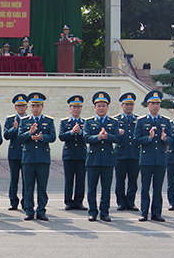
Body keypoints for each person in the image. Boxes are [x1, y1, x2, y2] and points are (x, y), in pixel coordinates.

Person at [134, 90, 172, 222]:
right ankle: (143, 212)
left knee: (158, 188)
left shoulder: (166, 121)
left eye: (157, 103)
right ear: (148, 105)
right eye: (152, 103)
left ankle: (156, 213)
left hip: (160, 159)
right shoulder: (141, 121)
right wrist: (148, 138)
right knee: (145, 187)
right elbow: (136, 139)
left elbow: (171, 140)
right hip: (146, 159)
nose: (155, 106)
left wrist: (165, 138)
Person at [18, 92, 55, 221]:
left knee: (42, 186)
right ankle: (29, 210)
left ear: (42, 107)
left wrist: (42, 137)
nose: (35, 108)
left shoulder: (48, 121)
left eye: (38, 105)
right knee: (28, 186)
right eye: (33, 105)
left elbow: (52, 136)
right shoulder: (24, 121)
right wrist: (30, 133)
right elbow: (20, 137)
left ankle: (41, 210)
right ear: (30, 107)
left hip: (42, 158)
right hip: (28, 158)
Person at [83, 92, 119, 222]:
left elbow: (117, 138)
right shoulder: (88, 122)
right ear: (94, 108)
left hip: (108, 160)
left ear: (107, 107)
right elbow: (86, 138)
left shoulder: (113, 122)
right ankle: (92, 211)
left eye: (103, 105)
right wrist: (98, 137)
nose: (101, 108)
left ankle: (105, 212)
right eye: (99, 106)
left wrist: (107, 136)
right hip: (93, 160)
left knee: (106, 188)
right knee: (92, 188)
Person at [59, 95, 87, 210]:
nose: (76, 109)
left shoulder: (85, 122)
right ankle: (68, 201)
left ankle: (79, 201)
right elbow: (61, 136)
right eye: (74, 107)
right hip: (69, 155)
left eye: (79, 107)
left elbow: (88, 137)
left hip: (81, 155)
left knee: (80, 179)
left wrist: (80, 132)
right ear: (70, 109)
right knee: (69, 179)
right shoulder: (65, 122)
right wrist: (71, 132)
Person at [114, 92, 140, 211]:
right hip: (120, 154)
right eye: (126, 104)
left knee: (133, 180)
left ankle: (130, 201)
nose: (129, 107)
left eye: (131, 104)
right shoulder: (115, 120)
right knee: (120, 180)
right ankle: (121, 202)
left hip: (134, 154)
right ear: (122, 105)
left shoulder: (138, 120)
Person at [3, 94, 28, 211]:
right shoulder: (10, 119)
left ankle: (25, 202)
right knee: (14, 179)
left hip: (27, 153)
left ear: (26, 107)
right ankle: (13, 201)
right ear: (15, 108)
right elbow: (6, 136)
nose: (21, 108)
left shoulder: (30, 119)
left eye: (23, 105)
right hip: (14, 153)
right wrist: (14, 128)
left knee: (26, 179)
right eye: (18, 106)